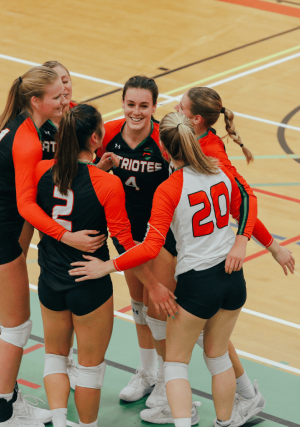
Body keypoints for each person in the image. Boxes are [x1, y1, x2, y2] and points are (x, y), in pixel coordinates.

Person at [69, 112, 258, 427]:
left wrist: (108, 266)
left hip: (199, 283)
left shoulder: (170, 188)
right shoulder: (221, 172)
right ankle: (226, 422)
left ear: (165, 150)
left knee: (175, 365)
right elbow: (249, 202)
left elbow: (149, 248)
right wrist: (244, 241)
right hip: (233, 279)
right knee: (218, 357)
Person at [0, 66, 104, 427]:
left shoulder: (23, 124)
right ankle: (3, 414)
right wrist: (66, 235)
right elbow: (26, 205)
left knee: (10, 321)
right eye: (57, 96)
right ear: (36, 100)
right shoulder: (26, 138)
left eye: (65, 91)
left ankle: (10, 402)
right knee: (16, 327)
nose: (64, 99)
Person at [28, 104, 173, 427]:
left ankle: (59, 421)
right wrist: (153, 284)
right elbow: (125, 244)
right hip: (90, 285)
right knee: (90, 368)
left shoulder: (39, 171)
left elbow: (31, 206)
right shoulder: (107, 184)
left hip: (50, 281)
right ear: (96, 139)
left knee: (55, 357)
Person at [94, 76, 178, 404]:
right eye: (131, 104)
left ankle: (167, 381)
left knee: (159, 310)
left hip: (160, 234)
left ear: (155, 107)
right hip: (125, 232)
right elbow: (85, 169)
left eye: (144, 105)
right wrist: (101, 167)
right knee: (140, 307)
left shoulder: (163, 139)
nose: (137, 111)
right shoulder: (108, 133)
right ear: (123, 103)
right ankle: (148, 373)